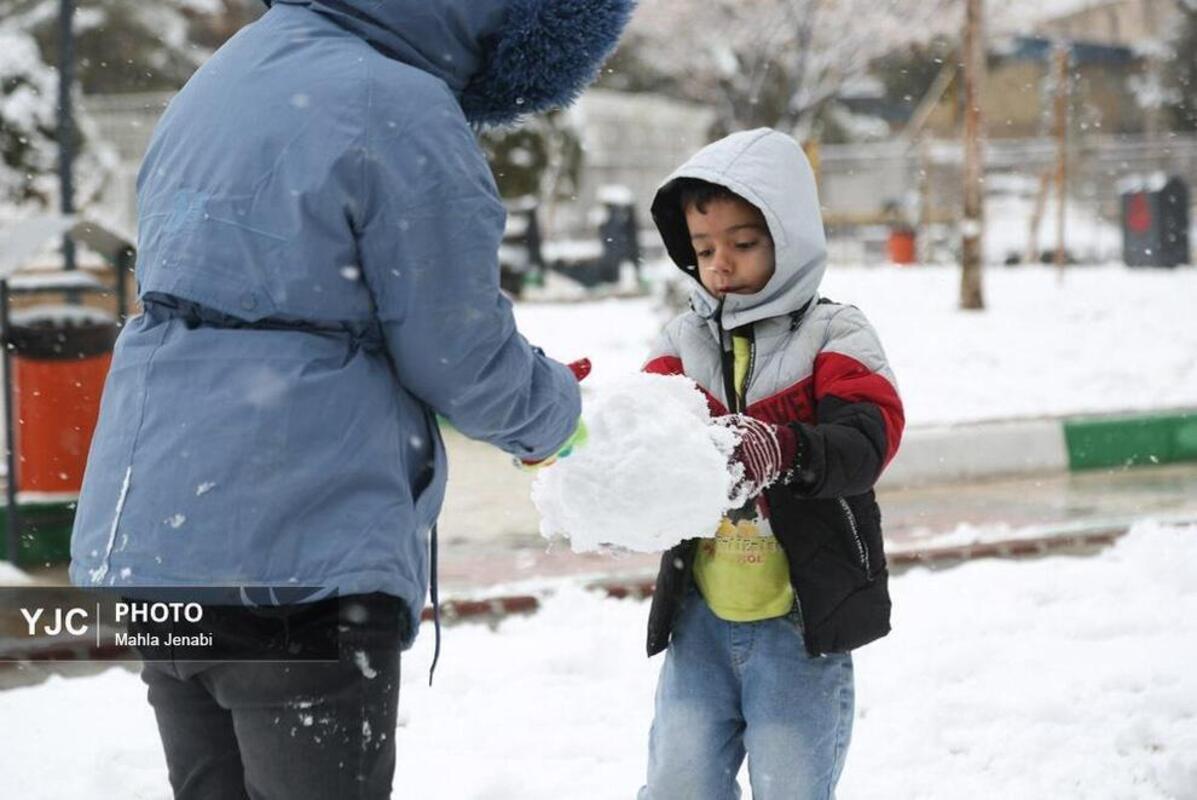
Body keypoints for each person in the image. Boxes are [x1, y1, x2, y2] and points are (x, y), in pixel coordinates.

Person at [67, 0, 631, 797]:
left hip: (161, 537)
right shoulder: (402, 107)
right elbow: (457, 349)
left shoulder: (227, 72)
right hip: (297, 548)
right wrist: (555, 420)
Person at [637, 128, 906, 800]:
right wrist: (581, 452)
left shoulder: (833, 332)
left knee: (790, 785)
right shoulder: (680, 342)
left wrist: (784, 448)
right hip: (699, 616)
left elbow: (868, 438)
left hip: (798, 621)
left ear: (788, 240)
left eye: (743, 243)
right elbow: (644, 438)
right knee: (678, 783)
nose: (719, 263)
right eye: (703, 249)